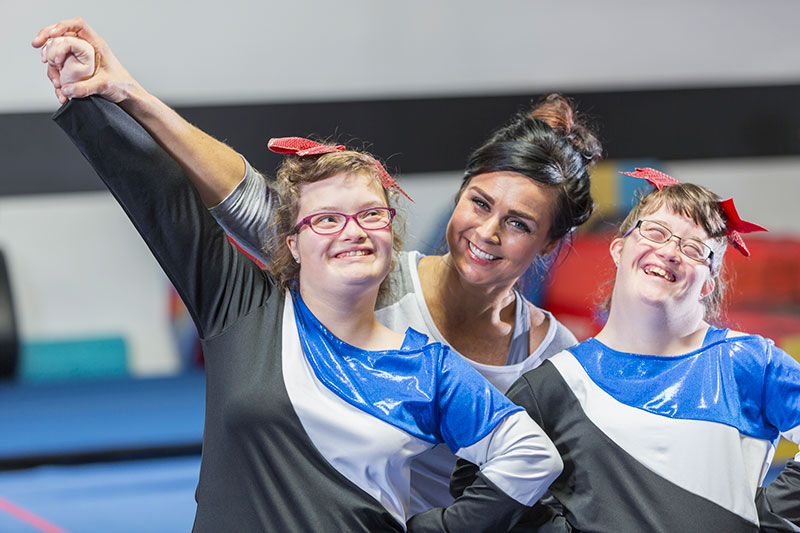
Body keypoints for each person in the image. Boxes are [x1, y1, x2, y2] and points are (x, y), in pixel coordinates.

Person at [33, 17, 601, 514]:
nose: (487, 232)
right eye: (479, 203)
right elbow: (251, 200)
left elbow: (561, 480)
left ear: (550, 245)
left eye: (520, 224)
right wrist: (128, 93)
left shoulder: (551, 358)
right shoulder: (371, 276)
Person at [453, 168, 800, 532]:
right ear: (619, 248)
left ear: (707, 284)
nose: (670, 252)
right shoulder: (557, 384)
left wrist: (761, 517)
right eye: (655, 232)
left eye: (695, 248)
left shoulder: (747, 363)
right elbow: (471, 480)